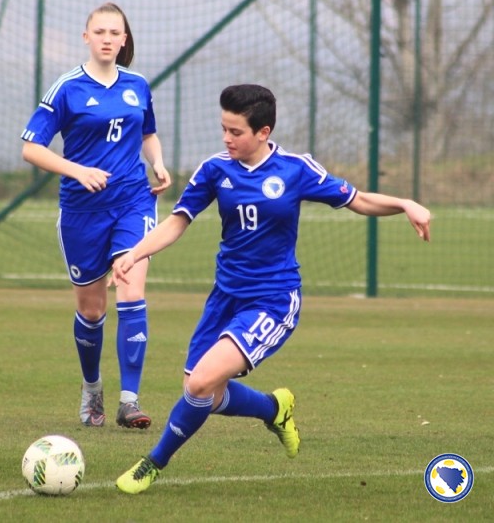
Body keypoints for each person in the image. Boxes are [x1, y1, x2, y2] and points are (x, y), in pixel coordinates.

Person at [111, 84, 432, 493]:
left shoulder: (295, 169)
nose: (226, 139)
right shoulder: (214, 170)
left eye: (236, 132)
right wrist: (135, 253)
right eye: (223, 129)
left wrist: (404, 204)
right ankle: (274, 408)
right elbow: (177, 222)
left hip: (273, 299)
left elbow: (358, 200)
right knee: (204, 393)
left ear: (263, 132)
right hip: (225, 298)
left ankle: (152, 464)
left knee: (200, 383)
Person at [21, 2, 172, 429]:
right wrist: (77, 170)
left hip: (133, 201)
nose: (107, 39)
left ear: (124, 40)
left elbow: (148, 132)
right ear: (86, 37)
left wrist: (158, 163)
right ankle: (92, 388)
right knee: (91, 311)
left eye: (114, 33)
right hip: (81, 212)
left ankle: (130, 401)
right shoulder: (67, 88)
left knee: (131, 288)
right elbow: (31, 148)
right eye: (99, 32)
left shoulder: (138, 85)